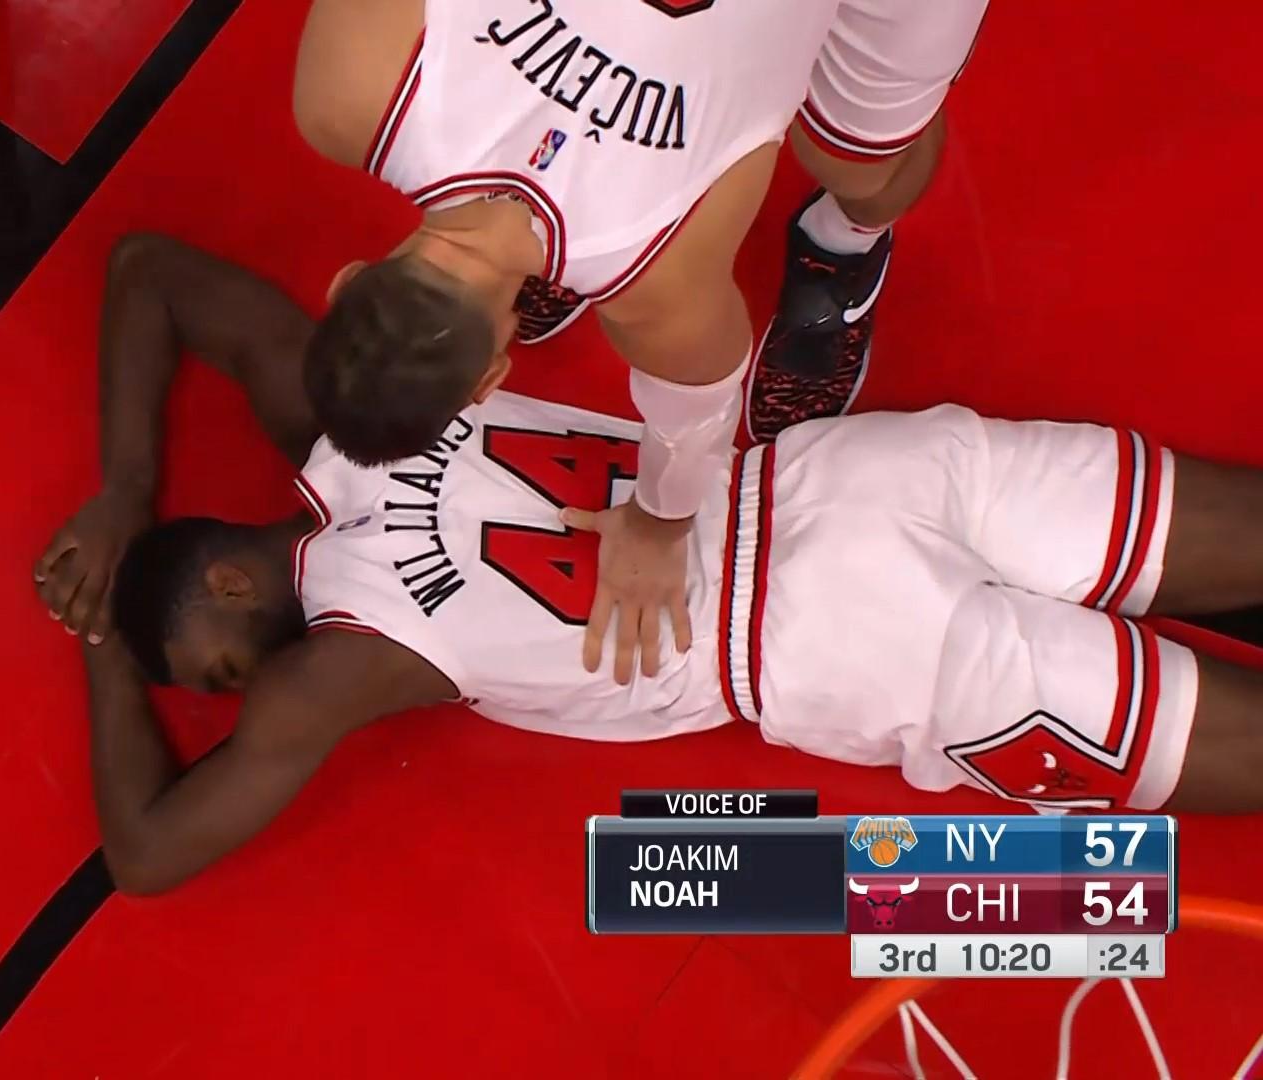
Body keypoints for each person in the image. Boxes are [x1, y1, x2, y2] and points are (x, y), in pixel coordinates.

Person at [37, 234, 1262, 896]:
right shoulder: (337, 414)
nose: (235, 690)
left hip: (834, 650)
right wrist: (125, 490)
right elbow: (150, 273)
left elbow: (145, 853)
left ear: (232, 583)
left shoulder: (334, 672)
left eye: (212, 670)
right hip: (838, 480)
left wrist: (96, 626)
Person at [290, 0, 986, 684]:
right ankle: (559, 222)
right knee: (843, 148)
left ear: (490, 378)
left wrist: (657, 527)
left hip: (637, 240)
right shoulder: (342, 94)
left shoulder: (655, 290)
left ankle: (850, 236)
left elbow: (696, 420)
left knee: (862, 166)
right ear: (347, 282)